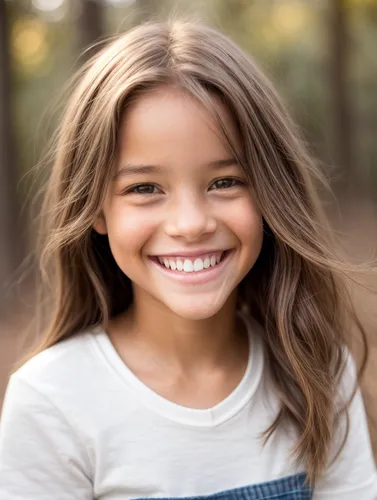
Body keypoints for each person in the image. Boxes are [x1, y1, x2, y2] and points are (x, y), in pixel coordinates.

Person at [0, 18, 376, 500]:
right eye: (144, 188)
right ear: (96, 209)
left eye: (224, 182)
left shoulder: (317, 372)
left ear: (270, 194)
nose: (190, 223)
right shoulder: (51, 403)